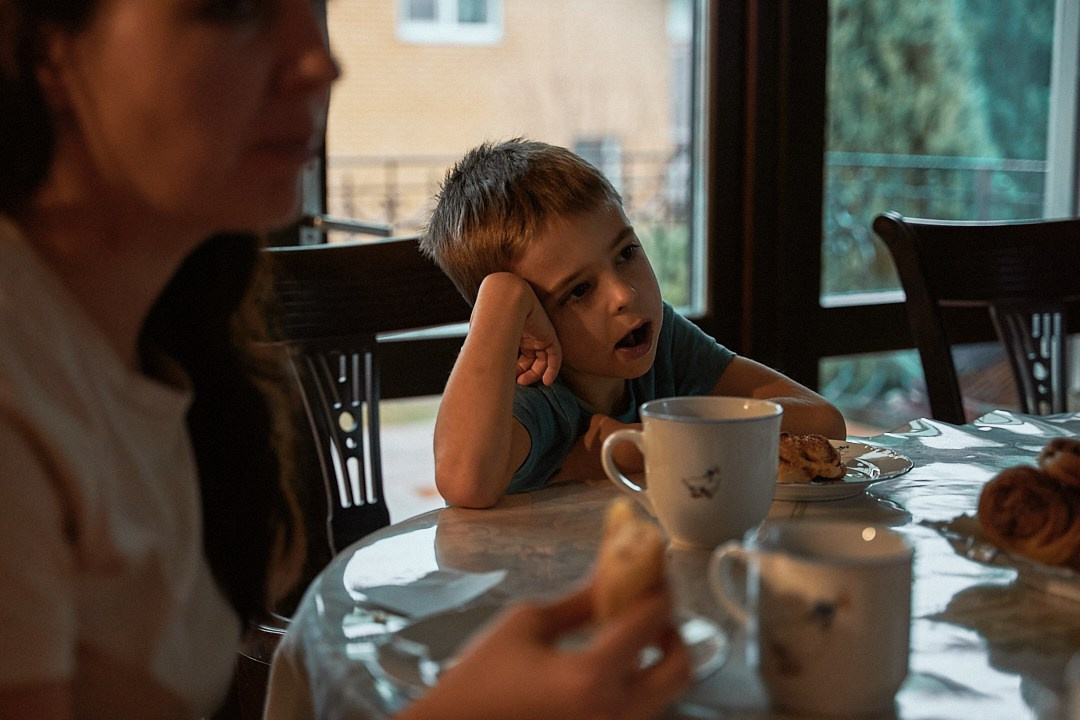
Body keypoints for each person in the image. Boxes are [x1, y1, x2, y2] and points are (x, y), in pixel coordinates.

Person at [0, 2, 690, 719]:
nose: (321, 64)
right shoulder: (17, 387)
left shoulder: (159, 339)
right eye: (236, 9)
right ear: (48, 46)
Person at [420, 138, 848, 509]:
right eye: (579, 290)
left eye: (626, 253)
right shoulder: (536, 392)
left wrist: (646, 442)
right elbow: (464, 482)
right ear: (528, 324)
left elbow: (823, 422)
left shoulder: (663, 344)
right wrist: (501, 296)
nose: (624, 294)